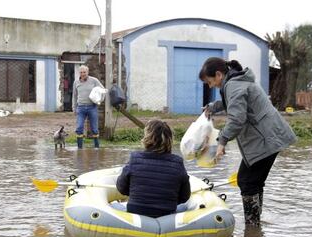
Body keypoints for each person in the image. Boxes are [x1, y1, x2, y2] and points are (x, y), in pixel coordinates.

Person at [199, 57, 297, 226]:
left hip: (266, 140)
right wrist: (213, 107)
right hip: (269, 138)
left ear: (218, 74)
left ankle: (252, 229)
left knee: (247, 181)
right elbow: (232, 103)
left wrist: (222, 141)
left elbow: (237, 119)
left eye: (209, 81)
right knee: (254, 181)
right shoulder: (236, 82)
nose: (210, 86)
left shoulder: (233, 85)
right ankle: (255, 226)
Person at [116, 120, 191, 218]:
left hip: (136, 213)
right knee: (186, 207)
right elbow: (184, 196)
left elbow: (121, 188)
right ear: (170, 140)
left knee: (113, 206)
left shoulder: (134, 159)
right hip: (166, 215)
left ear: (147, 138)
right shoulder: (177, 163)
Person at [72, 65, 104, 149]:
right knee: (79, 128)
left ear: (87, 72)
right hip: (80, 108)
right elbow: (74, 96)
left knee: (94, 129)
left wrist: (99, 100)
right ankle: (79, 149)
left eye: (84, 72)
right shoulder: (76, 82)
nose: (83, 74)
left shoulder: (94, 81)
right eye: (81, 72)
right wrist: (74, 108)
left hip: (92, 107)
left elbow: (103, 90)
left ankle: (96, 148)